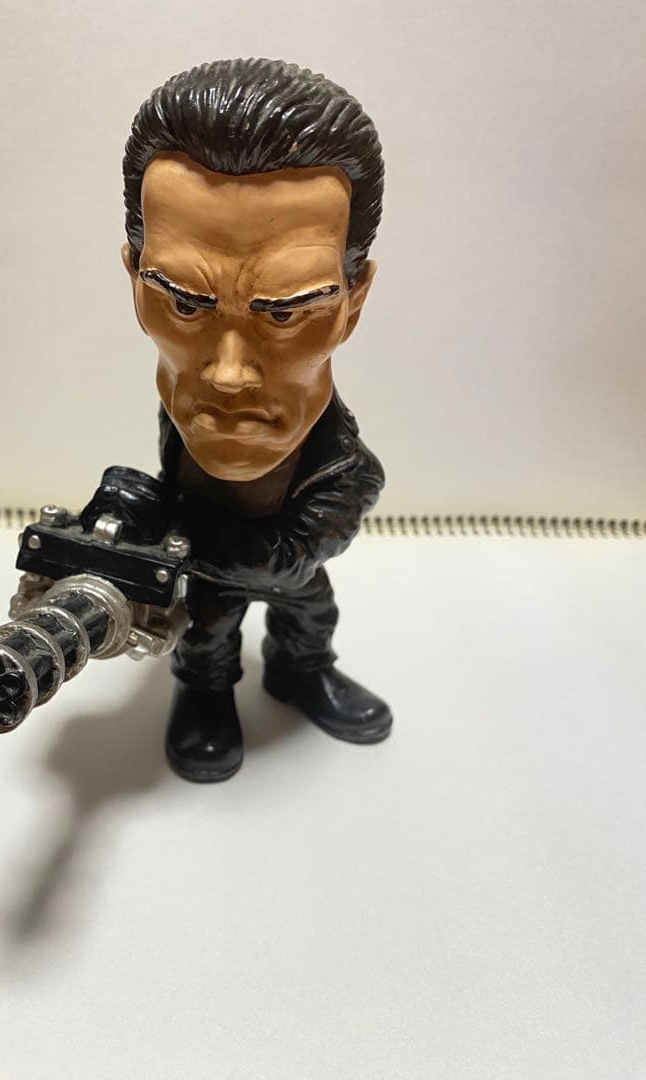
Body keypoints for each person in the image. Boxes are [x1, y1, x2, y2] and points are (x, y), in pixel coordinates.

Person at [120, 58, 391, 781]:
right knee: (205, 635)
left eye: (287, 311)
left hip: (254, 559)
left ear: (354, 301)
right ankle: (206, 692)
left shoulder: (345, 467)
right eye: (184, 303)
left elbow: (306, 545)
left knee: (311, 613)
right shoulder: (180, 421)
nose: (229, 374)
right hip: (205, 568)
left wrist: (185, 539)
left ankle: (300, 669)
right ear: (133, 277)